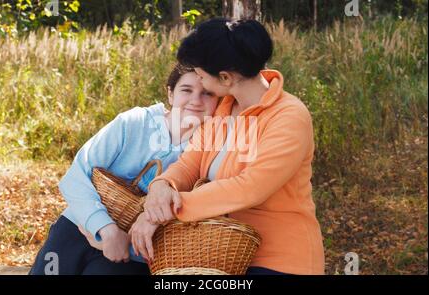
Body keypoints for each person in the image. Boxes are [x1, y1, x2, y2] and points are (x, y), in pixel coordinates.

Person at [130, 18, 325, 275]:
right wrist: (160, 188)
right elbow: (190, 164)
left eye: (200, 75)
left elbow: (249, 188)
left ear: (225, 77)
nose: (198, 81)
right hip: (221, 252)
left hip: (278, 260)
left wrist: (164, 213)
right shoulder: (222, 109)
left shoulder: (289, 117)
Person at [29, 64, 219, 275]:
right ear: (170, 94)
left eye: (207, 93)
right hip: (79, 228)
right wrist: (106, 230)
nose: (196, 100)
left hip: (134, 255)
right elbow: (75, 176)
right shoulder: (134, 122)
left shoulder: (209, 151)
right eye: (186, 90)